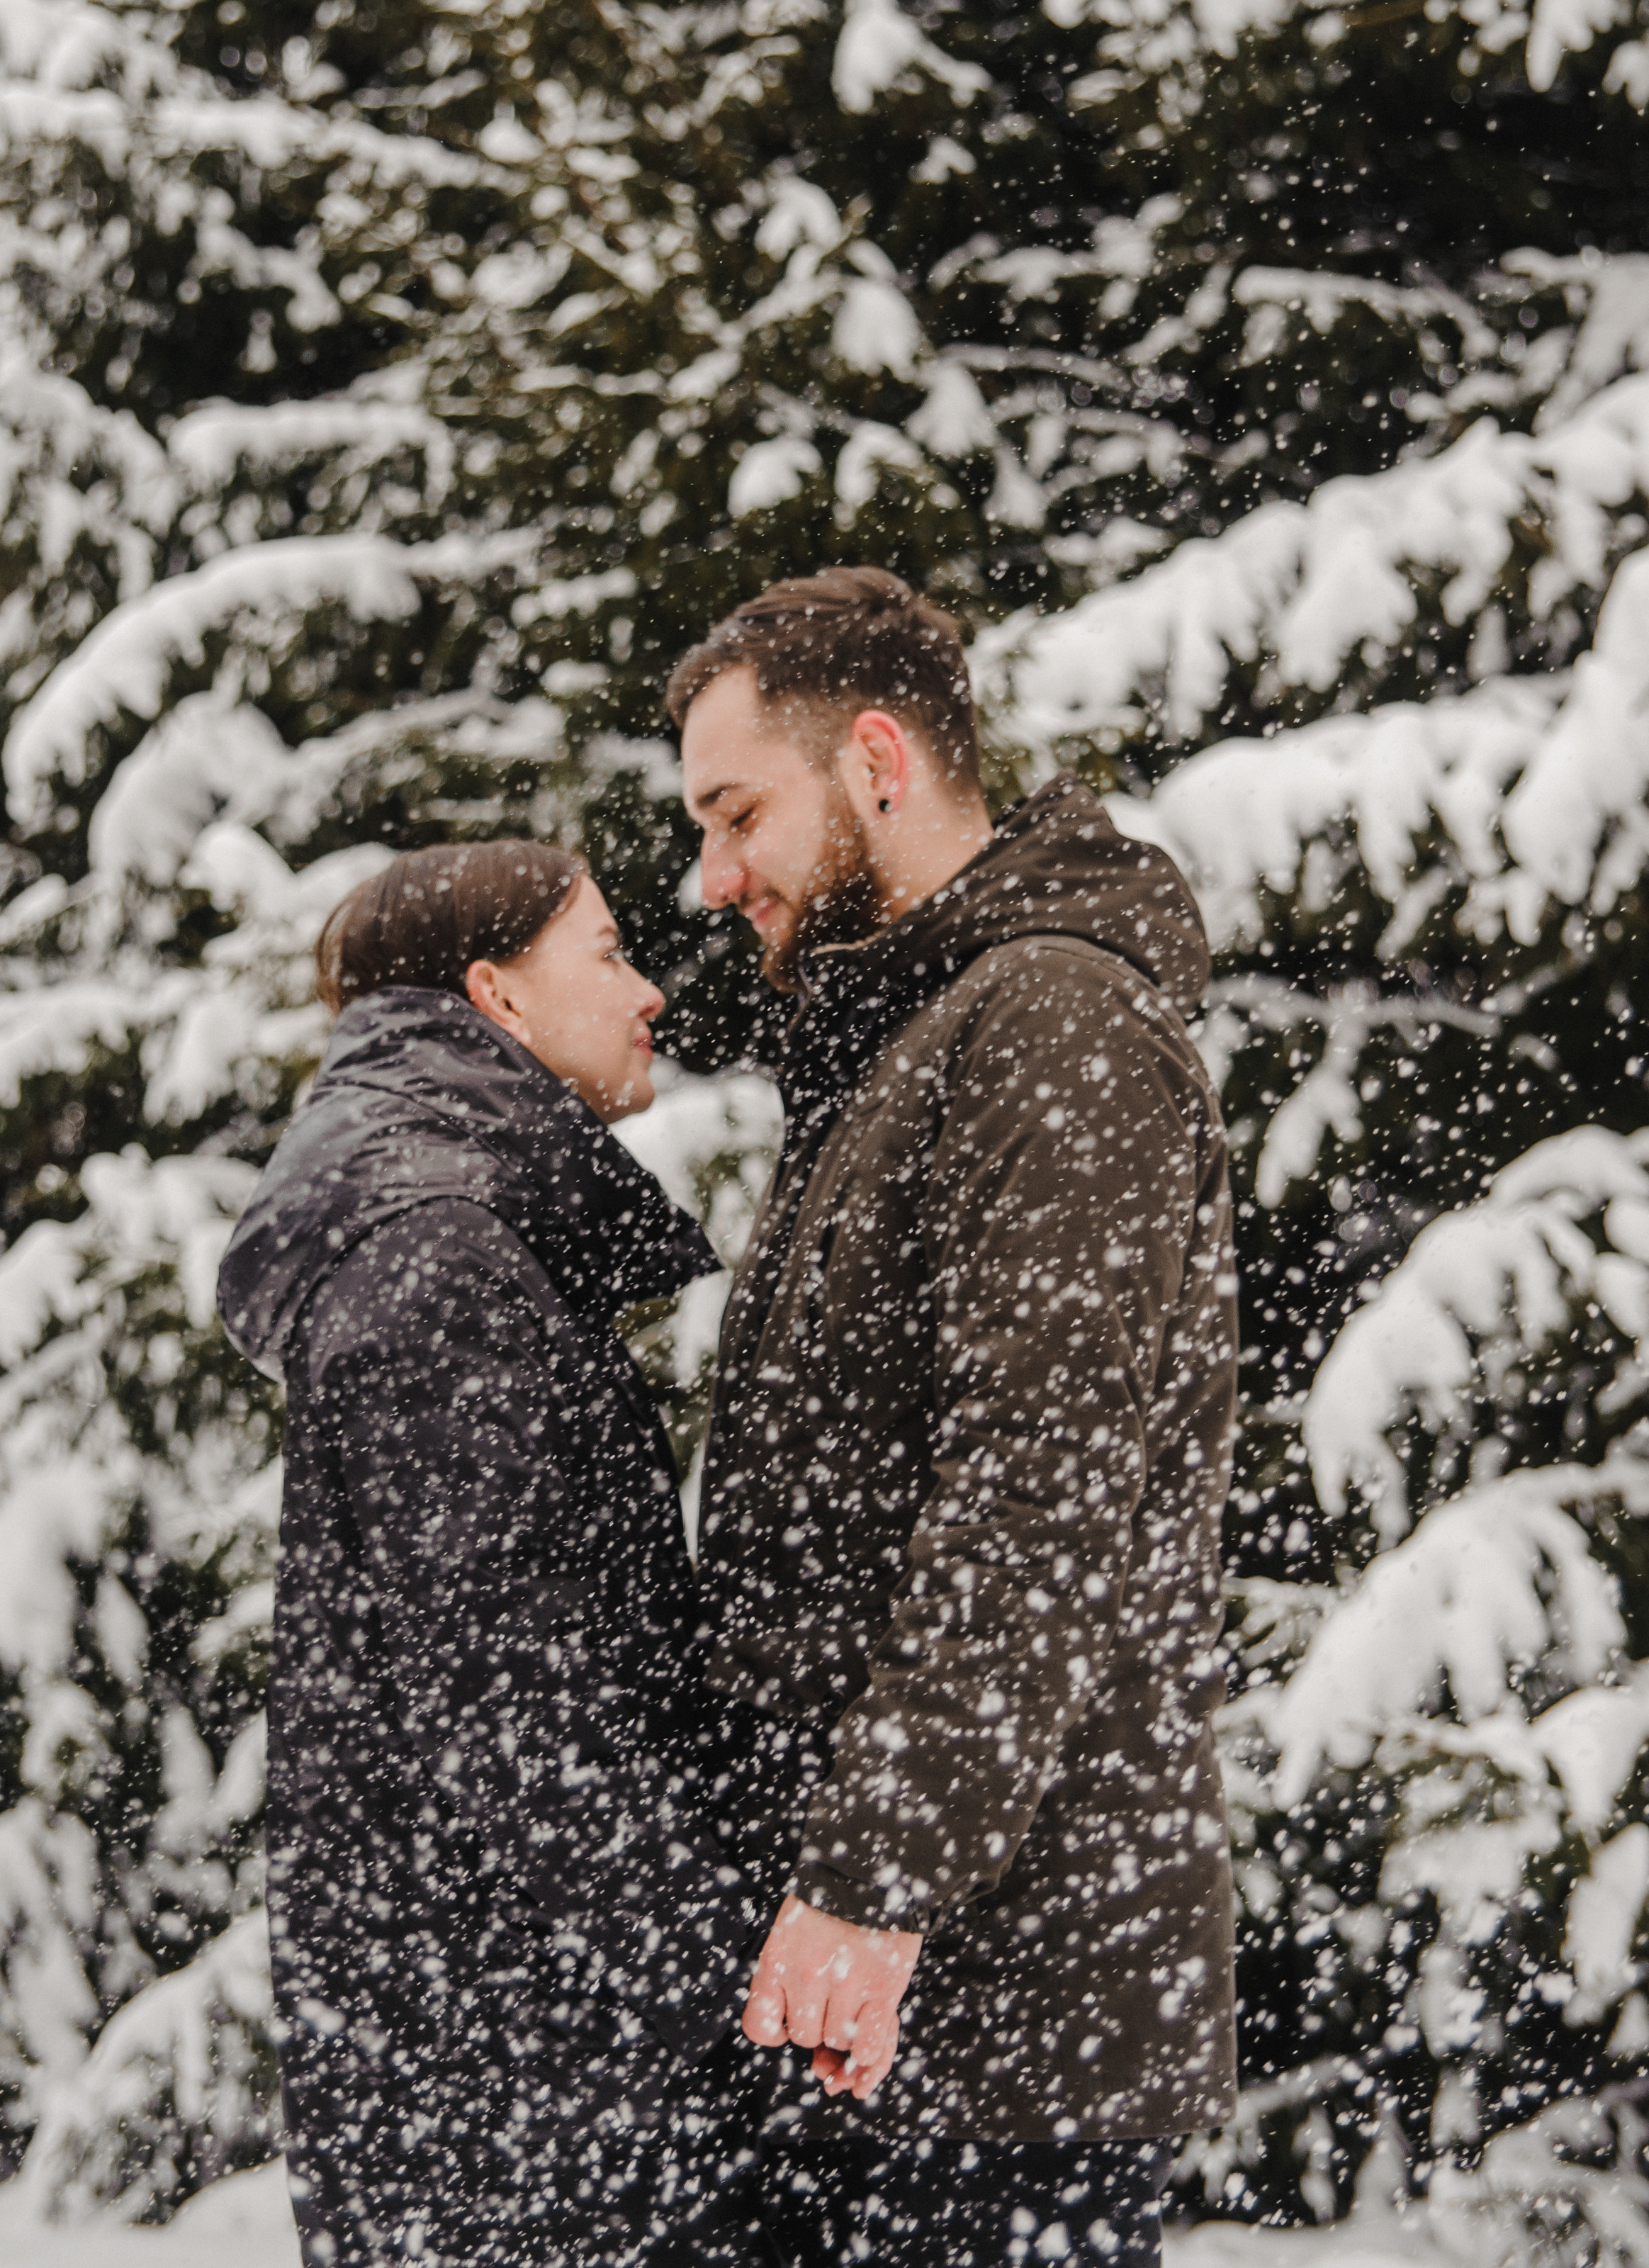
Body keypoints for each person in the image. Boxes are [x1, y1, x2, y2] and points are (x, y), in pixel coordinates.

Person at [668, 568, 1239, 2267]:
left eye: (735, 812)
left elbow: (1038, 1498)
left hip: (1002, 2026)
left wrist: (870, 1880)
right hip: (888, 2007)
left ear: (875, 759)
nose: (711, 879)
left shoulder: (1047, 1019)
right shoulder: (907, 1039)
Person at [215, 843, 771, 2268]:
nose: (646, 989)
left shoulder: (449, 1235)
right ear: (495, 998)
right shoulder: (437, 1264)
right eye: (603, 951)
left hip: (500, 2076)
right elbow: (519, 1728)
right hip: (529, 2104)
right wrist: (705, 1999)